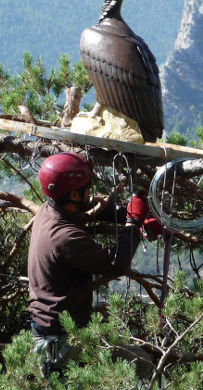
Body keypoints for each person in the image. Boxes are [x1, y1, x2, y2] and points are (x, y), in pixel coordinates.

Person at [27, 151, 161, 376]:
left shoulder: (50, 211)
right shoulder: (63, 236)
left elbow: (88, 209)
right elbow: (115, 263)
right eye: (86, 187)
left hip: (49, 329)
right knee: (144, 364)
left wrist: (124, 212)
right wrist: (134, 222)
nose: (90, 191)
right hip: (62, 341)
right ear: (73, 195)